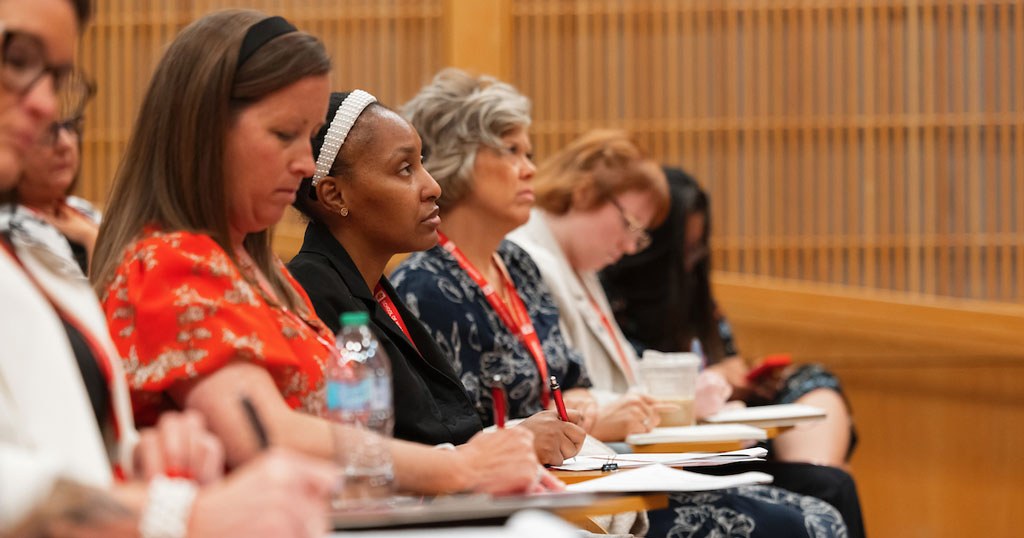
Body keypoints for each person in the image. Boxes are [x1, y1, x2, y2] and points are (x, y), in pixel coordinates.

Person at [90, 11, 551, 496]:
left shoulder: (260, 271)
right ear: (206, 133)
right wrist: (461, 468)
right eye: (284, 134)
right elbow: (262, 434)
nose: (305, 163)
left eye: (309, 136)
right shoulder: (174, 262)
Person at [392, 68, 847, 538]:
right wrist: (567, 419)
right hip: (539, 499)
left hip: (594, 470)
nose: (530, 169)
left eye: (529, 153)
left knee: (820, 510)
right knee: (809, 523)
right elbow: (460, 436)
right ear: (460, 158)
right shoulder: (425, 285)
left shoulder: (517, 265)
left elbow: (576, 387)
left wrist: (580, 411)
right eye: (511, 151)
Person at [0, 3, 339, 537]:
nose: (46, 106)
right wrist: (173, 512)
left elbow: (59, 447)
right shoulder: (170, 260)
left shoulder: (35, 258)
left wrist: (142, 461)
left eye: (59, 80)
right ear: (207, 134)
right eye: (16, 61)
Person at [510, 132, 865, 538]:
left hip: (627, 455)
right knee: (815, 506)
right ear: (584, 192)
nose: (630, 245)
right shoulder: (530, 260)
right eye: (630, 225)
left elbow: (621, 378)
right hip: (601, 468)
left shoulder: (579, 267)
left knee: (827, 485)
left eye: (641, 234)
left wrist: (694, 392)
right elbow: (570, 399)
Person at [286, 90, 585, 465]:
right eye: (404, 169)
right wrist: (515, 442)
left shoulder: (371, 287)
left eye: (422, 164)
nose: (433, 187)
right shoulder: (311, 298)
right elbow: (362, 456)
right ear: (335, 195)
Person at [600, 167, 857, 469]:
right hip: (675, 435)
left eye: (696, 250)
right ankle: (818, 477)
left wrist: (744, 379)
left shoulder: (695, 297)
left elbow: (728, 357)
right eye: (684, 251)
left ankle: (817, 467)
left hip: (727, 418)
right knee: (829, 484)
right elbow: (630, 390)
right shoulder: (613, 305)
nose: (690, 264)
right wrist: (713, 380)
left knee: (813, 380)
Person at [0, 71, 97, 277]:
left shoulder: (82, 210)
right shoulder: (11, 228)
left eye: (69, 126)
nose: (65, 144)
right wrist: (92, 239)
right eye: (48, 132)